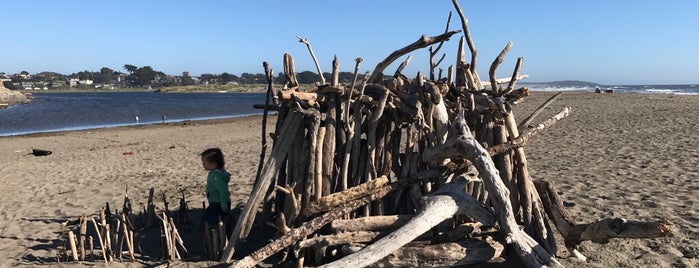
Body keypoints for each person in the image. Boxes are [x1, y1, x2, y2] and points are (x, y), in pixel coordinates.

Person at [200, 148, 231, 228]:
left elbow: (223, 190)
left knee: (213, 219)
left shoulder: (215, 176)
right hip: (217, 201)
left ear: (214, 164)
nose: (203, 165)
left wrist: (223, 204)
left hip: (218, 203)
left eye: (204, 162)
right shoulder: (219, 173)